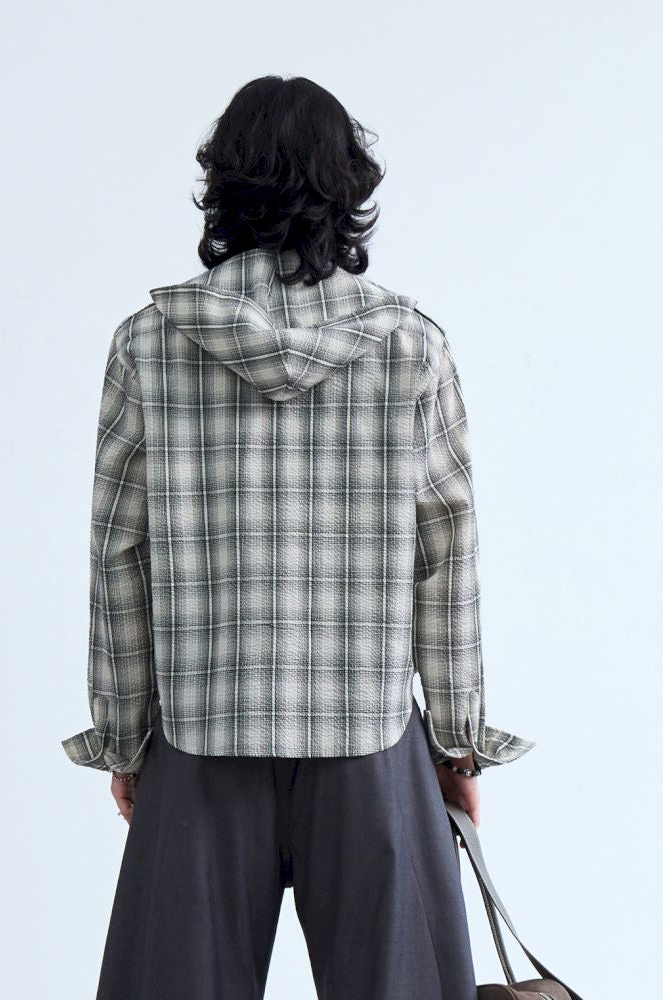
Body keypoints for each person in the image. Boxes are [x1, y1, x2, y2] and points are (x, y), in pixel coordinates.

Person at [61, 74, 536, 1000]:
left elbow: (119, 555)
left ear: (223, 184)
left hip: (199, 737)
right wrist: (455, 741)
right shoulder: (411, 345)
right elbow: (445, 555)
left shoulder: (147, 343)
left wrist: (125, 741)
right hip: (369, 738)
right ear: (347, 185)